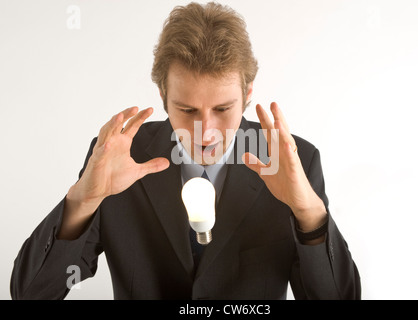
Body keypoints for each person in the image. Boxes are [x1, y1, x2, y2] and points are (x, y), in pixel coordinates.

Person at [11, 2, 360, 300]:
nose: (205, 132)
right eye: (188, 110)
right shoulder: (119, 157)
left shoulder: (295, 160)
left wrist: (308, 214)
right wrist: (81, 202)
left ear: (248, 92)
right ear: (162, 94)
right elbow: (31, 293)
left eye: (223, 109)